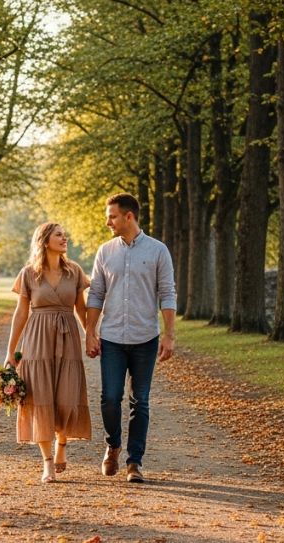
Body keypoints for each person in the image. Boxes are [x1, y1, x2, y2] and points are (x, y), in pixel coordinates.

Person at [84, 193, 176, 484]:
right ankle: (113, 444)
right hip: (111, 337)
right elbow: (96, 293)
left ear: (129, 217)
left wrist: (170, 335)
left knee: (141, 401)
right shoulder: (105, 252)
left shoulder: (158, 250)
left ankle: (134, 462)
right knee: (110, 398)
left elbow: (168, 293)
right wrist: (89, 332)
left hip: (145, 338)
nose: (107, 221)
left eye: (112, 216)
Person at [4, 222, 93, 483]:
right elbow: (21, 313)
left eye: (65, 234)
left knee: (67, 395)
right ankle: (47, 463)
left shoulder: (74, 271)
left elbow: (81, 309)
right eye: (58, 235)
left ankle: (62, 446)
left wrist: (91, 334)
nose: (64, 238)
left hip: (68, 338)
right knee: (40, 396)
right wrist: (11, 351)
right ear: (44, 241)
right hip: (37, 339)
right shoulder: (29, 274)